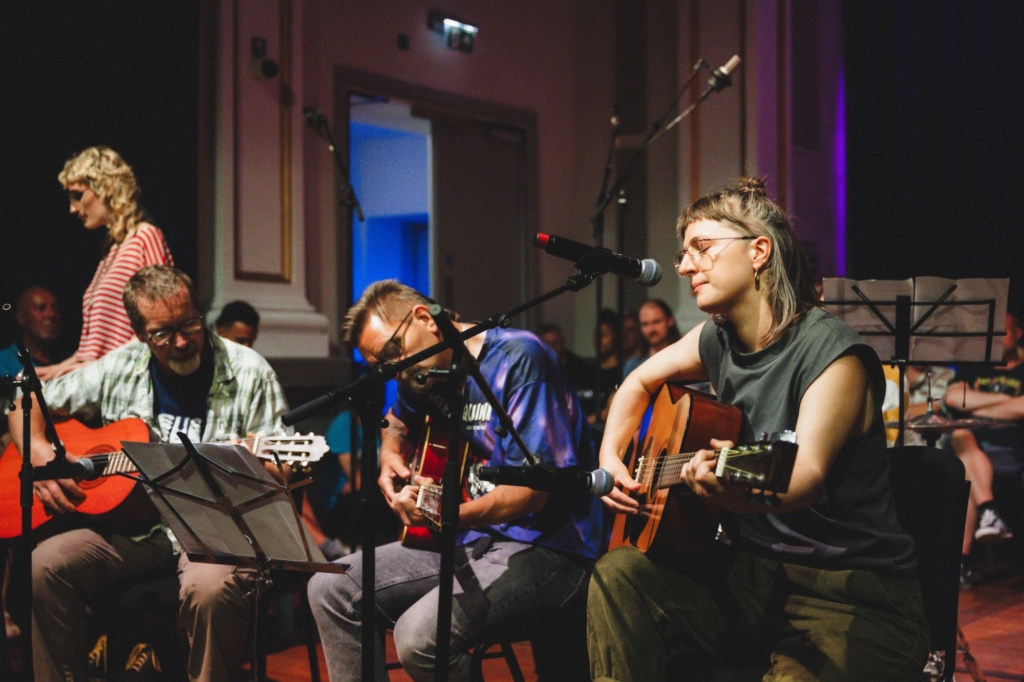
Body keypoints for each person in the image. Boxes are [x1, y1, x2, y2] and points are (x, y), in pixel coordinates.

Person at [588, 178, 928, 681]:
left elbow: (802, 476)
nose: (683, 267)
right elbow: (637, 380)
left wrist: (730, 493)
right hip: (755, 579)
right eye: (682, 255)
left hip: (850, 595)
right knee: (618, 576)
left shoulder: (833, 355)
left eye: (700, 249)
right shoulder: (716, 339)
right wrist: (610, 459)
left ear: (759, 252)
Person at [308, 279, 607, 682]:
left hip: (549, 545)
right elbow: (397, 418)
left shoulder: (519, 357)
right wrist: (389, 455)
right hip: (469, 535)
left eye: (392, 355)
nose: (392, 370)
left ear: (424, 319)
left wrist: (450, 514)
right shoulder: (426, 370)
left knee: (418, 637)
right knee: (330, 590)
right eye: (381, 367)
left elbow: (534, 492)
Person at [8, 265, 290, 682]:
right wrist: (38, 452)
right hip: (138, 530)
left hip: (216, 533)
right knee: (45, 566)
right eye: (162, 332)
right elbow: (23, 399)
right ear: (140, 334)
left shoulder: (249, 372)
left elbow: (280, 471)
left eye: (190, 324)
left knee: (209, 589)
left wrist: (260, 466)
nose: (180, 341)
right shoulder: (121, 366)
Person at [40, 146, 174, 380]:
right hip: (97, 380)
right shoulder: (111, 251)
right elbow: (94, 350)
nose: (72, 208)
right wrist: (56, 369)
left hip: (123, 381)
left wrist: (94, 369)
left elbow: (161, 323)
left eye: (78, 195)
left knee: (26, 408)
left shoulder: (145, 237)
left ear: (108, 187)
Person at [944, 311, 1024, 587]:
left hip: (1009, 450)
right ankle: (989, 513)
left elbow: (1022, 408)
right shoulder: (975, 366)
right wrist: (1005, 402)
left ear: (1017, 334)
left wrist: (979, 405)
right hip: (971, 445)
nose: (995, 339)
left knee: (966, 476)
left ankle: (960, 565)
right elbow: (953, 397)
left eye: (1002, 332)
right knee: (961, 434)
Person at [621, 298, 681, 377]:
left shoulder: (686, 357)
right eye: (645, 324)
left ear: (670, 321)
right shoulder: (633, 365)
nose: (651, 330)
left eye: (656, 322)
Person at [538, 321, 591, 390]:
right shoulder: (536, 367)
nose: (552, 347)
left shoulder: (577, 365)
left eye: (555, 342)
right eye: (547, 344)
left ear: (562, 342)